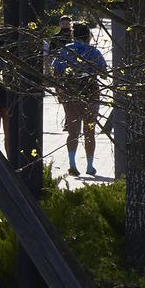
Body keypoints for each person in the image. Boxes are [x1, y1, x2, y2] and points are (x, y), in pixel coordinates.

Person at [48, 21, 109, 178]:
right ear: (88, 35)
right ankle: (90, 165)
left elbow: (55, 72)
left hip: (71, 93)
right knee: (89, 131)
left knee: (73, 131)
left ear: (73, 35)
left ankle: (72, 163)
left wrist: (59, 89)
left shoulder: (66, 51)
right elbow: (103, 74)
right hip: (91, 93)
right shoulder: (94, 52)